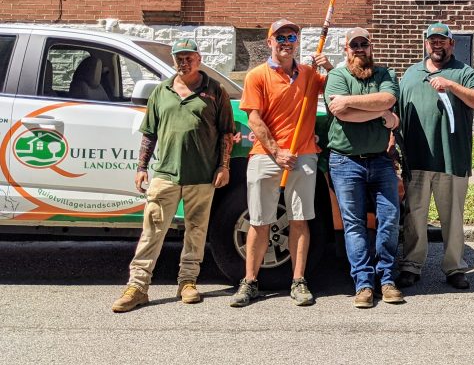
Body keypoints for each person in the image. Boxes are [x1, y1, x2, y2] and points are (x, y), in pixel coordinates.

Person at [112, 39, 235, 312]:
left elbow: (227, 133)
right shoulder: (161, 91)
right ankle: (137, 287)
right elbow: (149, 134)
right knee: (152, 231)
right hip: (165, 174)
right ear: (174, 61)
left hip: (202, 175)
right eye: (179, 58)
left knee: (196, 230)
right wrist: (141, 168)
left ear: (199, 59)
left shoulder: (215, 91)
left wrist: (224, 166)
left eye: (189, 57)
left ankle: (188, 281)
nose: (184, 62)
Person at [230, 19, 332, 307]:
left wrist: (330, 68)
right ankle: (249, 282)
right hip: (266, 156)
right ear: (269, 42)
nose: (286, 42)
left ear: (296, 42)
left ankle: (298, 281)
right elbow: (254, 119)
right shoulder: (257, 76)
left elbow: (339, 89)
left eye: (291, 37)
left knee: (300, 220)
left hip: (304, 155)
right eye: (280, 37)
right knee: (259, 221)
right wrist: (277, 151)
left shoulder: (310, 75)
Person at [397, 22, 474, 290]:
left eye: (442, 40)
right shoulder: (411, 74)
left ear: (451, 44)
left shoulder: (464, 72)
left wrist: (451, 85)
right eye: (432, 40)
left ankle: (454, 267)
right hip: (417, 159)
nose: (437, 44)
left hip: (452, 159)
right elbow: (399, 113)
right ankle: (412, 266)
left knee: (453, 218)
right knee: (415, 217)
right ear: (426, 43)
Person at [324, 27, 405, 308]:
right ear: (346, 49)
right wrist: (380, 114)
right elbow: (340, 113)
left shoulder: (385, 74)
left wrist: (356, 103)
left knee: (389, 219)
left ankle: (387, 279)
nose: (359, 48)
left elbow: (388, 99)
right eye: (354, 44)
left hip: (381, 160)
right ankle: (363, 284)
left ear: (371, 47)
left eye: (364, 44)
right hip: (345, 161)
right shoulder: (337, 76)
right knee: (354, 224)